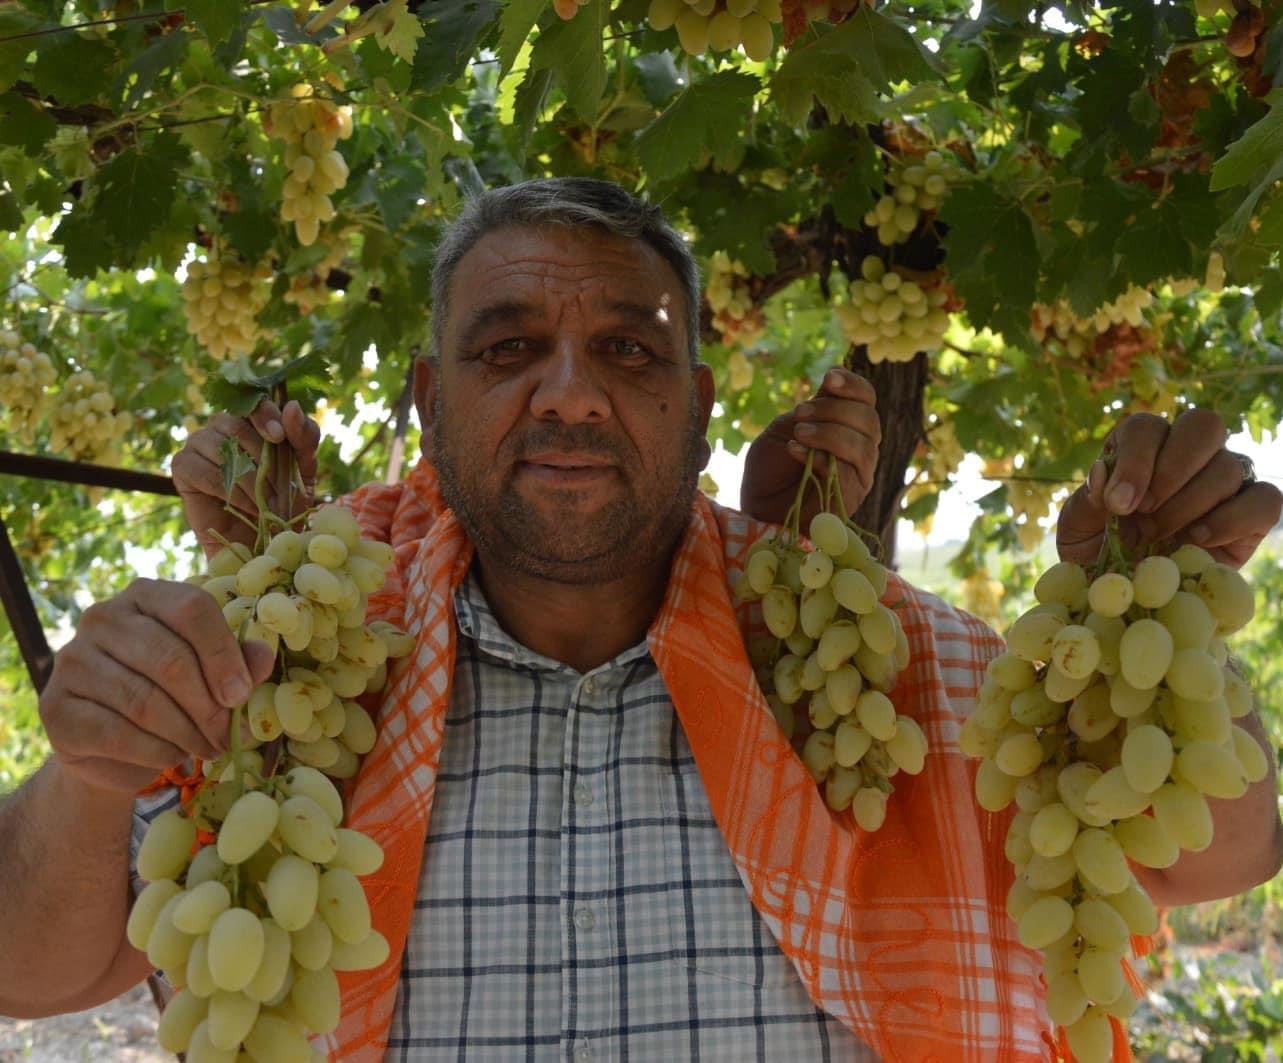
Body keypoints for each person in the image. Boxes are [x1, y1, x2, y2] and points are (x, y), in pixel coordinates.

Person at [0, 178, 1279, 1061]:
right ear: (427, 399)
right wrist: (92, 772)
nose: (570, 396)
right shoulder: (277, 669)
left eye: (628, 351)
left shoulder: (885, 662)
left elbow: (1223, 851)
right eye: (507, 350)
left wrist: (1149, 628)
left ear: (700, 402)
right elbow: (31, 970)